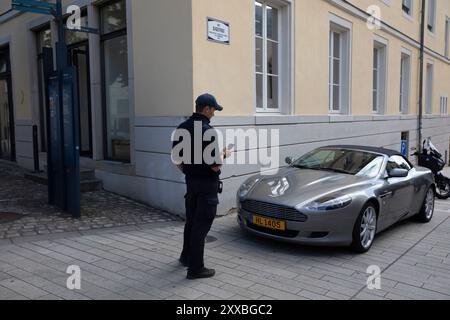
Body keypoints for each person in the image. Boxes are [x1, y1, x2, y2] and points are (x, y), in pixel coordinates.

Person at [172, 93, 230, 280]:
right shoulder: (208, 132)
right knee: (201, 226)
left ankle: (186, 257)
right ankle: (196, 269)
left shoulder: (182, 128)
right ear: (206, 109)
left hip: (191, 183)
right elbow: (215, 165)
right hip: (207, 186)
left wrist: (191, 172)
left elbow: (177, 160)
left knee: (191, 222)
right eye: (213, 110)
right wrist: (224, 155)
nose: (214, 114)